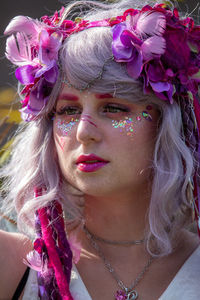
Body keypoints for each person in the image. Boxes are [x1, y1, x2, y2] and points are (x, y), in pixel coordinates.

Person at [0, 0, 200, 299]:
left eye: (113, 108)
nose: (84, 132)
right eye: (68, 110)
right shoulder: (10, 265)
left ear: (166, 125)